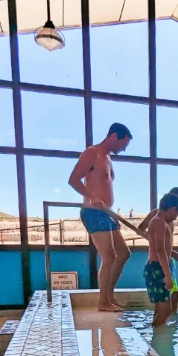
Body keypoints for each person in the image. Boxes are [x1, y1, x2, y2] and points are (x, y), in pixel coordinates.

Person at [68, 123, 132, 312]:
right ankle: (103, 302)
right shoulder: (92, 153)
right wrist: (93, 197)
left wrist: (114, 213)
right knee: (110, 255)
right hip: (93, 211)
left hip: (107, 213)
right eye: (123, 144)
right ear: (113, 136)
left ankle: (108, 296)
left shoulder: (108, 159)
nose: (124, 149)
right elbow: (73, 179)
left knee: (124, 253)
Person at [139, 187, 178, 313]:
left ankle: (171, 320)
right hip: (158, 261)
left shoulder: (170, 217)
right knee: (168, 295)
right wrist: (155, 244)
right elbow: (141, 229)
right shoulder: (157, 215)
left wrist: (171, 252)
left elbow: (166, 242)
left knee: (173, 294)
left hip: (168, 260)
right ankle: (163, 320)